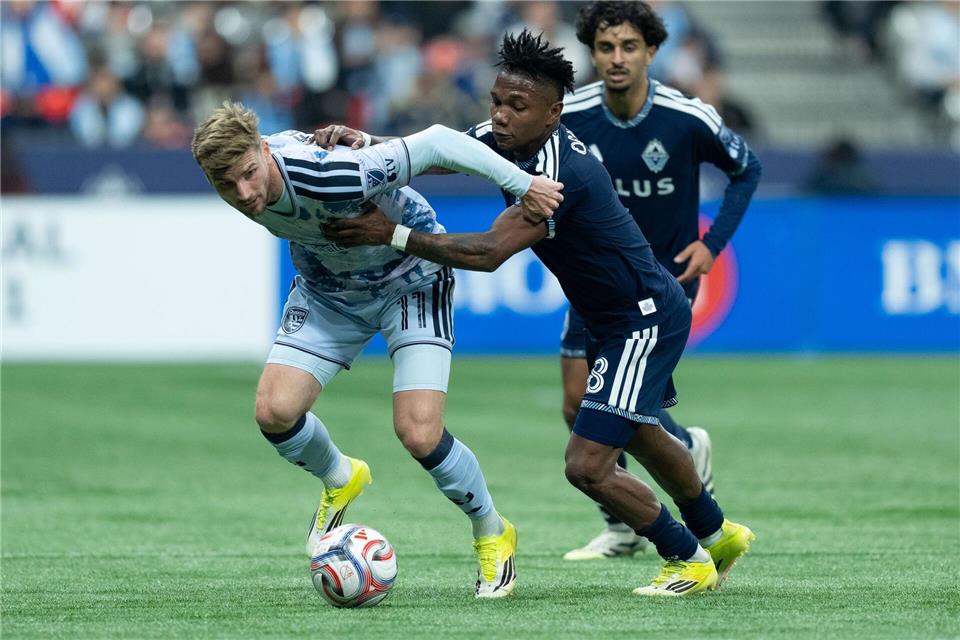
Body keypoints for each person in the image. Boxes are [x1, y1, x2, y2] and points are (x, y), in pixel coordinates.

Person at [325, 30, 755, 597]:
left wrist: (392, 233)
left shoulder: (558, 176)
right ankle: (718, 534)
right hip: (613, 316)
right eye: (496, 102)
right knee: (642, 434)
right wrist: (366, 142)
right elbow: (441, 152)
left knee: (587, 466)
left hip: (641, 317)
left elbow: (487, 253)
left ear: (553, 114)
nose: (500, 116)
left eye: (517, 106)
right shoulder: (509, 138)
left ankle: (687, 558)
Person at [190, 101, 563, 599]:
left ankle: (492, 530)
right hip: (330, 293)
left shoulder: (329, 175)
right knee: (274, 412)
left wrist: (524, 184)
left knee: (419, 433)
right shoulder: (249, 172)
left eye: (248, 174)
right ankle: (340, 476)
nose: (244, 194)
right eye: (226, 185)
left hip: (411, 280)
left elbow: (437, 141)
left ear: (263, 150)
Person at [557, 0, 761, 560]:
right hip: (595, 279)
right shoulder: (571, 115)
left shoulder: (685, 116)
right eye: (605, 47)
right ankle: (633, 512)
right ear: (592, 52)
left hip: (660, 284)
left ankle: (680, 491)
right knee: (577, 403)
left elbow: (747, 168)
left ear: (651, 51)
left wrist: (712, 244)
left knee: (621, 402)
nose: (617, 58)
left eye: (629, 46)